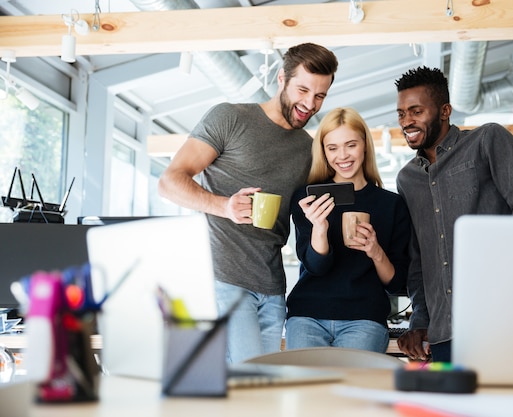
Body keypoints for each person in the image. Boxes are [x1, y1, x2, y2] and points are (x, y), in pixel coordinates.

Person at [157, 43, 339, 363]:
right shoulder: (230, 117)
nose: (310, 103)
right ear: (281, 78)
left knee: (261, 389)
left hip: (273, 289)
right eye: (303, 89)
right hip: (223, 278)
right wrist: (223, 206)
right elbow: (170, 181)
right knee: (244, 383)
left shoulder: (308, 149)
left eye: (320, 95)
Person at [393, 66, 513, 363]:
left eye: (416, 111)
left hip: (503, 324)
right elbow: (418, 260)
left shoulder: (488, 141)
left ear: (444, 111)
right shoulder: (407, 179)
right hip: (444, 335)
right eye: (401, 114)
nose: (407, 121)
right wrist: (420, 322)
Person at [285, 107, 410, 353]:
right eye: (332, 148)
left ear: (364, 144)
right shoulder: (308, 200)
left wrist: (375, 251)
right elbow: (316, 266)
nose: (342, 156)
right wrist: (319, 228)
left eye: (350, 145)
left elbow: (396, 283)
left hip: (364, 318)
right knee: (305, 390)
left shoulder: (391, 204)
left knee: (353, 391)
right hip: (307, 315)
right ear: (324, 152)